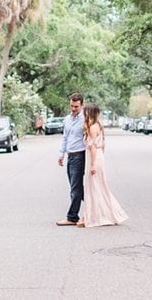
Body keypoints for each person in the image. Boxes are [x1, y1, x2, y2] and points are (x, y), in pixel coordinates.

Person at [78, 103, 128, 228]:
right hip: (97, 157)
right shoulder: (97, 125)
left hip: (94, 159)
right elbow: (102, 145)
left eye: (86, 112)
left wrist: (93, 164)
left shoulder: (93, 127)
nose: (84, 114)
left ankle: (95, 216)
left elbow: (94, 146)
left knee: (95, 188)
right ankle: (94, 215)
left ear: (90, 113)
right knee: (97, 187)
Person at [56, 93, 85, 226]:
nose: (73, 109)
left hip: (80, 155)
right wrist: (61, 154)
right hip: (70, 156)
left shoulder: (85, 119)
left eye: (76, 106)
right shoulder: (67, 119)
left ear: (82, 105)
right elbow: (65, 137)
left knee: (75, 188)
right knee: (77, 188)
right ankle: (97, 208)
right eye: (72, 106)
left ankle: (72, 217)